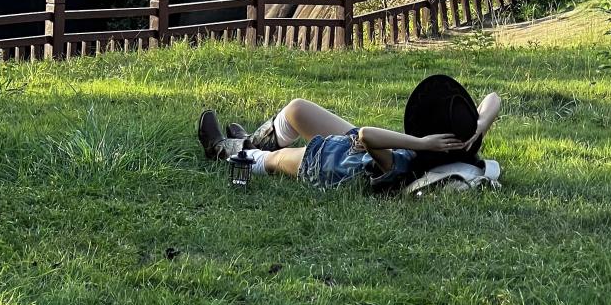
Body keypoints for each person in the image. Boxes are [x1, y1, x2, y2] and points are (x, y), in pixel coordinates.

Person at [198, 74, 501, 194]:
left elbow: (369, 135)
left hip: (330, 162)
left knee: (273, 160)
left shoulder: (404, 167)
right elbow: (493, 98)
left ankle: (224, 150)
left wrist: (420, 142)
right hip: (353, 146)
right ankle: (250, 140)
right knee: (297, 109)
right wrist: (479, 125)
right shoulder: (463, 142)